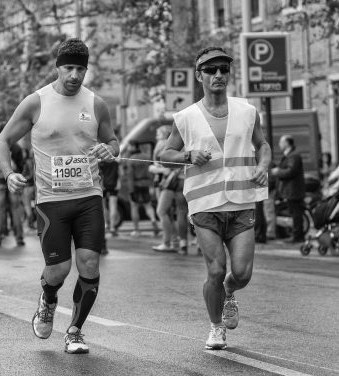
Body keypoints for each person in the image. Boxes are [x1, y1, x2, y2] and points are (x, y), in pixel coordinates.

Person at [0, 38, 119, 354]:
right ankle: (48, 299)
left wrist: (110, 149)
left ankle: (75, 330)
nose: (74, 75)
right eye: (69, 68)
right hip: (51, 200)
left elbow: (113, 142)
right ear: (57, 67)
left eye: (80, 69)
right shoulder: (36, 102)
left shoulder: (96, 104)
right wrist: (9, 173)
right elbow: (2, 141)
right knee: (59, 270)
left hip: (90, 196)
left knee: (89, 264)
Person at [159, 47, 271, 350]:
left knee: (242, 273)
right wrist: (188, 154)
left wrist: (262, 166)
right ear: (199, 76)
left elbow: (263, 145)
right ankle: (216, 326)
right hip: (205, 204)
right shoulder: (185, 117)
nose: (218, 75)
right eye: (211, 70)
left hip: (241, 200)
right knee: (216, 268)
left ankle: (228, 292)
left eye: (223, 69)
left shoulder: (248, 112)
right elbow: (163, 152)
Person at [0, 138, 25, 246]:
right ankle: (19, 237)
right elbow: (21, 165)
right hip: (14, 180)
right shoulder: (16, 147)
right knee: (16, 209)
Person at [271, 135, 306, 242]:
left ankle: (298, 236)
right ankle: (296, 235)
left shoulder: (293, 156)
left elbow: (291, 171)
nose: (279, 145)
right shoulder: (290, 155)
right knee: (294, 213)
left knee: (296, 214)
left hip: (294, 191)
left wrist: (278, 172)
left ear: (287, 143)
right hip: (290, 190)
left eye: (281, 142)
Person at [126, 143, 159, 238]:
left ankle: (136, 230)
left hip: (136, 185)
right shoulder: (147, 157)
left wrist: (131, 190)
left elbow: (130, 176)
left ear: (134, 147)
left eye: (130, 146)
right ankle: (153, 220)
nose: (129, 148)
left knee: (134, 207)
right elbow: (151, 172)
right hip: (147, 184)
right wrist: (152, 185)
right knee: (148, 206)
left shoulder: (131, 160)